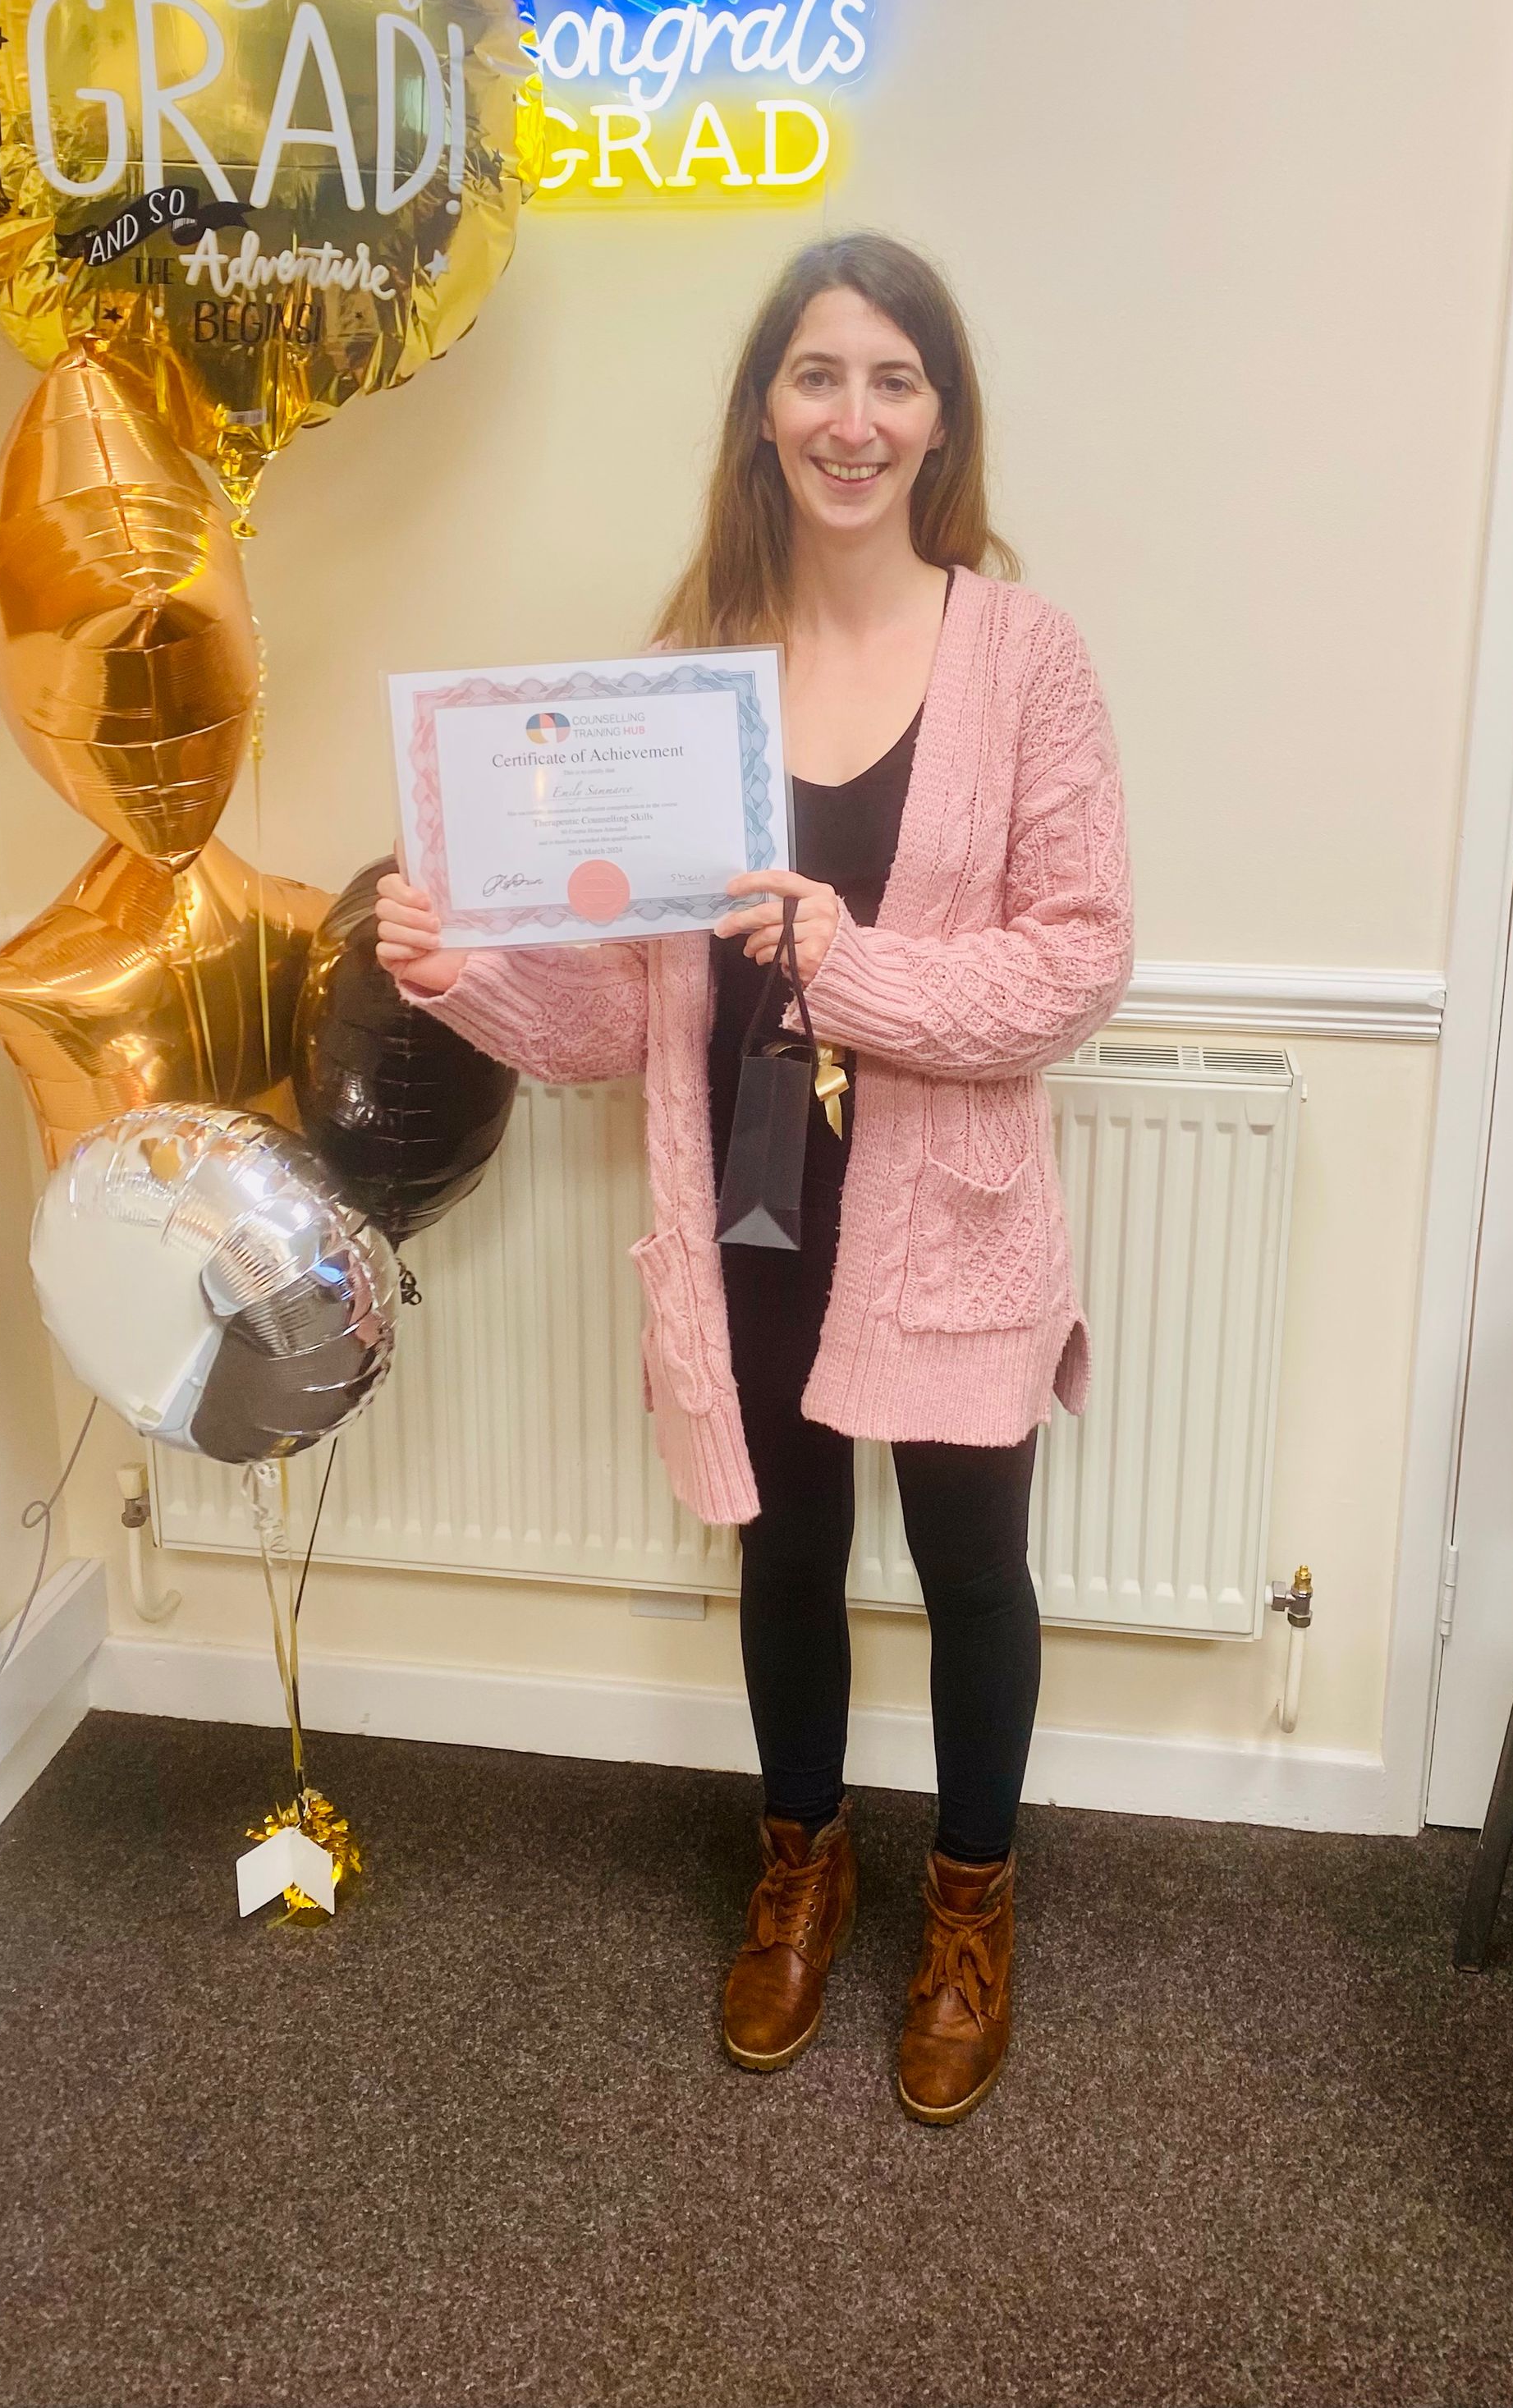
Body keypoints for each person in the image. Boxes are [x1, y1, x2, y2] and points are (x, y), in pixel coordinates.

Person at [376, 232, 1133, 2123]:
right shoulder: (680, 682)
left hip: (951, 1212)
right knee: (784, 1555)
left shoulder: (1024, 655)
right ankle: (802, 1865)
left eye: (892, 378)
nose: (852, 418)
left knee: (972, 1567)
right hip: (751, 1194)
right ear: (764, 412)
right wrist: (463, 969)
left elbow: (1077, 961)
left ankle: (971, 1906)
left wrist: (846, 965)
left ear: (941, 419)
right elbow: (616, 1016)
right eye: (817, 375)